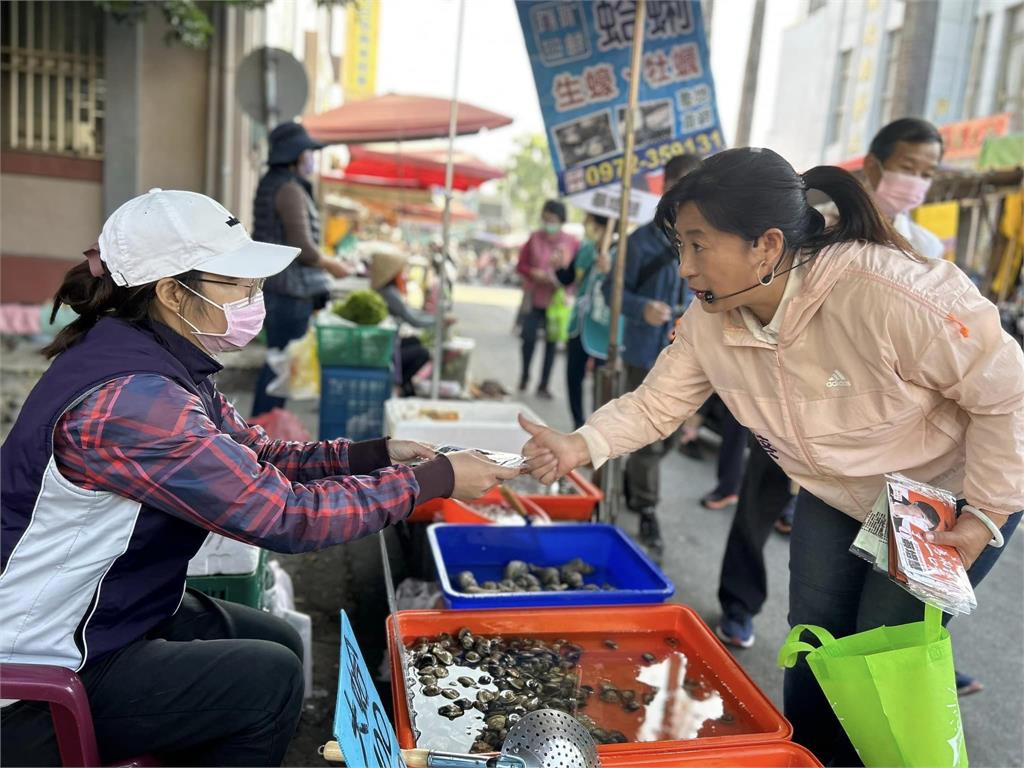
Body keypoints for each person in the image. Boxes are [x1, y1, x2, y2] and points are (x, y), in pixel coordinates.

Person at [520, 147, 1023, 765]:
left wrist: (987, 514)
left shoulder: (885, 291)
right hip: (837, 491)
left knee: (881, 651)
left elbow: (1008, 394)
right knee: (814, 637)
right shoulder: (711, 318)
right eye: (681, 246)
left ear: (766, 244)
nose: (685, 267)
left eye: (699, 246)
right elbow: (656, 405)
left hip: (943, 496)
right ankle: (806, 758)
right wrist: (579, 444)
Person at [0, 189, 519, 767]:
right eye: (239, 284)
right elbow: (284, 515)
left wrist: (378, 453)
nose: (255, 298)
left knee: (280, 640)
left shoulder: (162, 362)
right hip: (42, 668)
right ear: (173, 292)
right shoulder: (134, 401)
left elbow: (259, 453)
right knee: (268, 680)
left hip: (110, 613)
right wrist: (433, 481)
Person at [603, 154, 702, 555]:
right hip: (644, 353)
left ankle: (637, 484)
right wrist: (639, 307)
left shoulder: (713, 240)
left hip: (694, 356)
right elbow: (612, 291)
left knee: (668, 439)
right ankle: (645, 506)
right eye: (677, 182)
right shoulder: (640, 241)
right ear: (664, 186)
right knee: (645, 433)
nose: (684, 191)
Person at [251, 121, 352, 417]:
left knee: (277, 365)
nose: (311, 158)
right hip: (290, 293)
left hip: (276, 288)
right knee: (280, 370)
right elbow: (303, 248)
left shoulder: (271, 183)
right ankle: (261, 436)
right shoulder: (289, 189)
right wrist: (333, 265)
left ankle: (260, 432)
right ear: (296, 156)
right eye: (308, 153)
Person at [516, 200, 579, 398]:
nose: (547, 223)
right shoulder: (534, 238)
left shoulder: (572, 242)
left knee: (552, 343)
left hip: (556, 301)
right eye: (545, 219)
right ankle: (525, 374)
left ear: (561, 221)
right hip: (534, 296)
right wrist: (533, 273)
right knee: (528, 337)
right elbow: (521, 265)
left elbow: (575, 272)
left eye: (551, 220)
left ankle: (544, 384)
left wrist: (561, 281)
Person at [556, 212, 611, 429]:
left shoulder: (620, 250)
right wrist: (559, 267)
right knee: (573, 374)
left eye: (589, 221)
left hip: (604, 327)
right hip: (578, 323)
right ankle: (578, 422)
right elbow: (568, 278)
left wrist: (610, 270)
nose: (585, 225)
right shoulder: (586, 248)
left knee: (601, 380)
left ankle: (598, 429)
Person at [370, 246, 449, 396]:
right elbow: (412, 319)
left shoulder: (387, 291)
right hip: (386, 350)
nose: (404, 275)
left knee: (414, 341)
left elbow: (410, 312)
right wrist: (438, 322)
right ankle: (400, 386)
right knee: (423, 353)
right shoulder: (389, 293)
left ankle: (405, 384)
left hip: (388, 343)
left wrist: (435, 318)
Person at [863, 117, 945, 260]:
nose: (915, 181)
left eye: (926, 174)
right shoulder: (824, 225)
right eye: (907, 168)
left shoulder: (928, 249)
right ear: (871, 165)